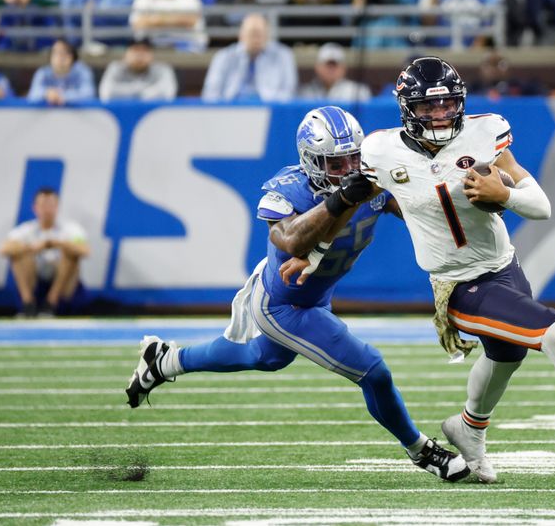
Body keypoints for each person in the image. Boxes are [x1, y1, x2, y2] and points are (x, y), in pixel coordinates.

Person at [286, 57, 555, 483]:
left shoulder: (484, 132)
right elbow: (355, 203)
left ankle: (468, 428)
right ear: (406, 109)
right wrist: (315, 253)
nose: (439, 115)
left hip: (504, 265)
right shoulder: (382, 152)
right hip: (456, 285)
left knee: (506, 355)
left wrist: (504, 194)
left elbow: (542, 206)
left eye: (447, 105)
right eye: (427, 107)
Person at [124, 106, 470, 483]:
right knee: (373, 370)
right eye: (336, 163)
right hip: (282, 304)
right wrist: (340, 200)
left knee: (264, 357)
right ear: (311, 161)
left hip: (313, 296)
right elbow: (289, 240)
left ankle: (163, 361)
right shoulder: (288, 190)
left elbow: (416, 209)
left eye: (354, 158)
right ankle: (421, 451)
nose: (348, 169)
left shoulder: (370, 181)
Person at [0, 188, 89, 317]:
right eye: (43, 205)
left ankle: (51, 304)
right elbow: (4, 249)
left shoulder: (71, 229)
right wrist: (31, 247)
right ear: (35, 208)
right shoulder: (26, 230)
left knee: (71, 254)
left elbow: (85, 250)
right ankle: (28, 304)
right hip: (36, 284)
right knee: (18, 255)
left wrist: (53, 243)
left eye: (51, 205)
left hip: (63, 289)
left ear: (57, 207)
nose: (47, 209)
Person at [201, 13, 297, 102]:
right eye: (252, 34)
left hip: (270, 110)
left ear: (267, 35)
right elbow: (210, 93)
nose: (256, 39)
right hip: (230, 110)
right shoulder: (223, 56)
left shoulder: (283, 56)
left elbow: (289, 92)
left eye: (260, 34)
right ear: (241, 35)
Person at [99, 38, 178, 101]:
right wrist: (141, 90)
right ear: (125, 55)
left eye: (145, 50)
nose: (140, 55)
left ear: (152, 55)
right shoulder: (115, 67)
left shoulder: (162, 69)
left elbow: (168, 94)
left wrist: (131, 93)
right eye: (135, 50)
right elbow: (106, 93)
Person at [26, 38, 96, 105]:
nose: (61, 57)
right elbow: (32, 95)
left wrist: (63, 96)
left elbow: (89, 94)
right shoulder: (43, 73)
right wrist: (47, 93)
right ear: (50, 57)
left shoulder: (82, 72)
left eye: (65, 53)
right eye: (56, 53)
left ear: (73, 57)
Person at [129, 0, 207, 52]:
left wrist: (156, 20)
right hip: (152, 44)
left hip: (186, 43)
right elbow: (138, 24)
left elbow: (190, 21)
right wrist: (174, 19)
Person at [298, 43, 372, 102]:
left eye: (335, 65)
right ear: (317, 67)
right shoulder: (305, 93)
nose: (331, 70)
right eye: (327, 65)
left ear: (343, 68)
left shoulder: (358, 92)